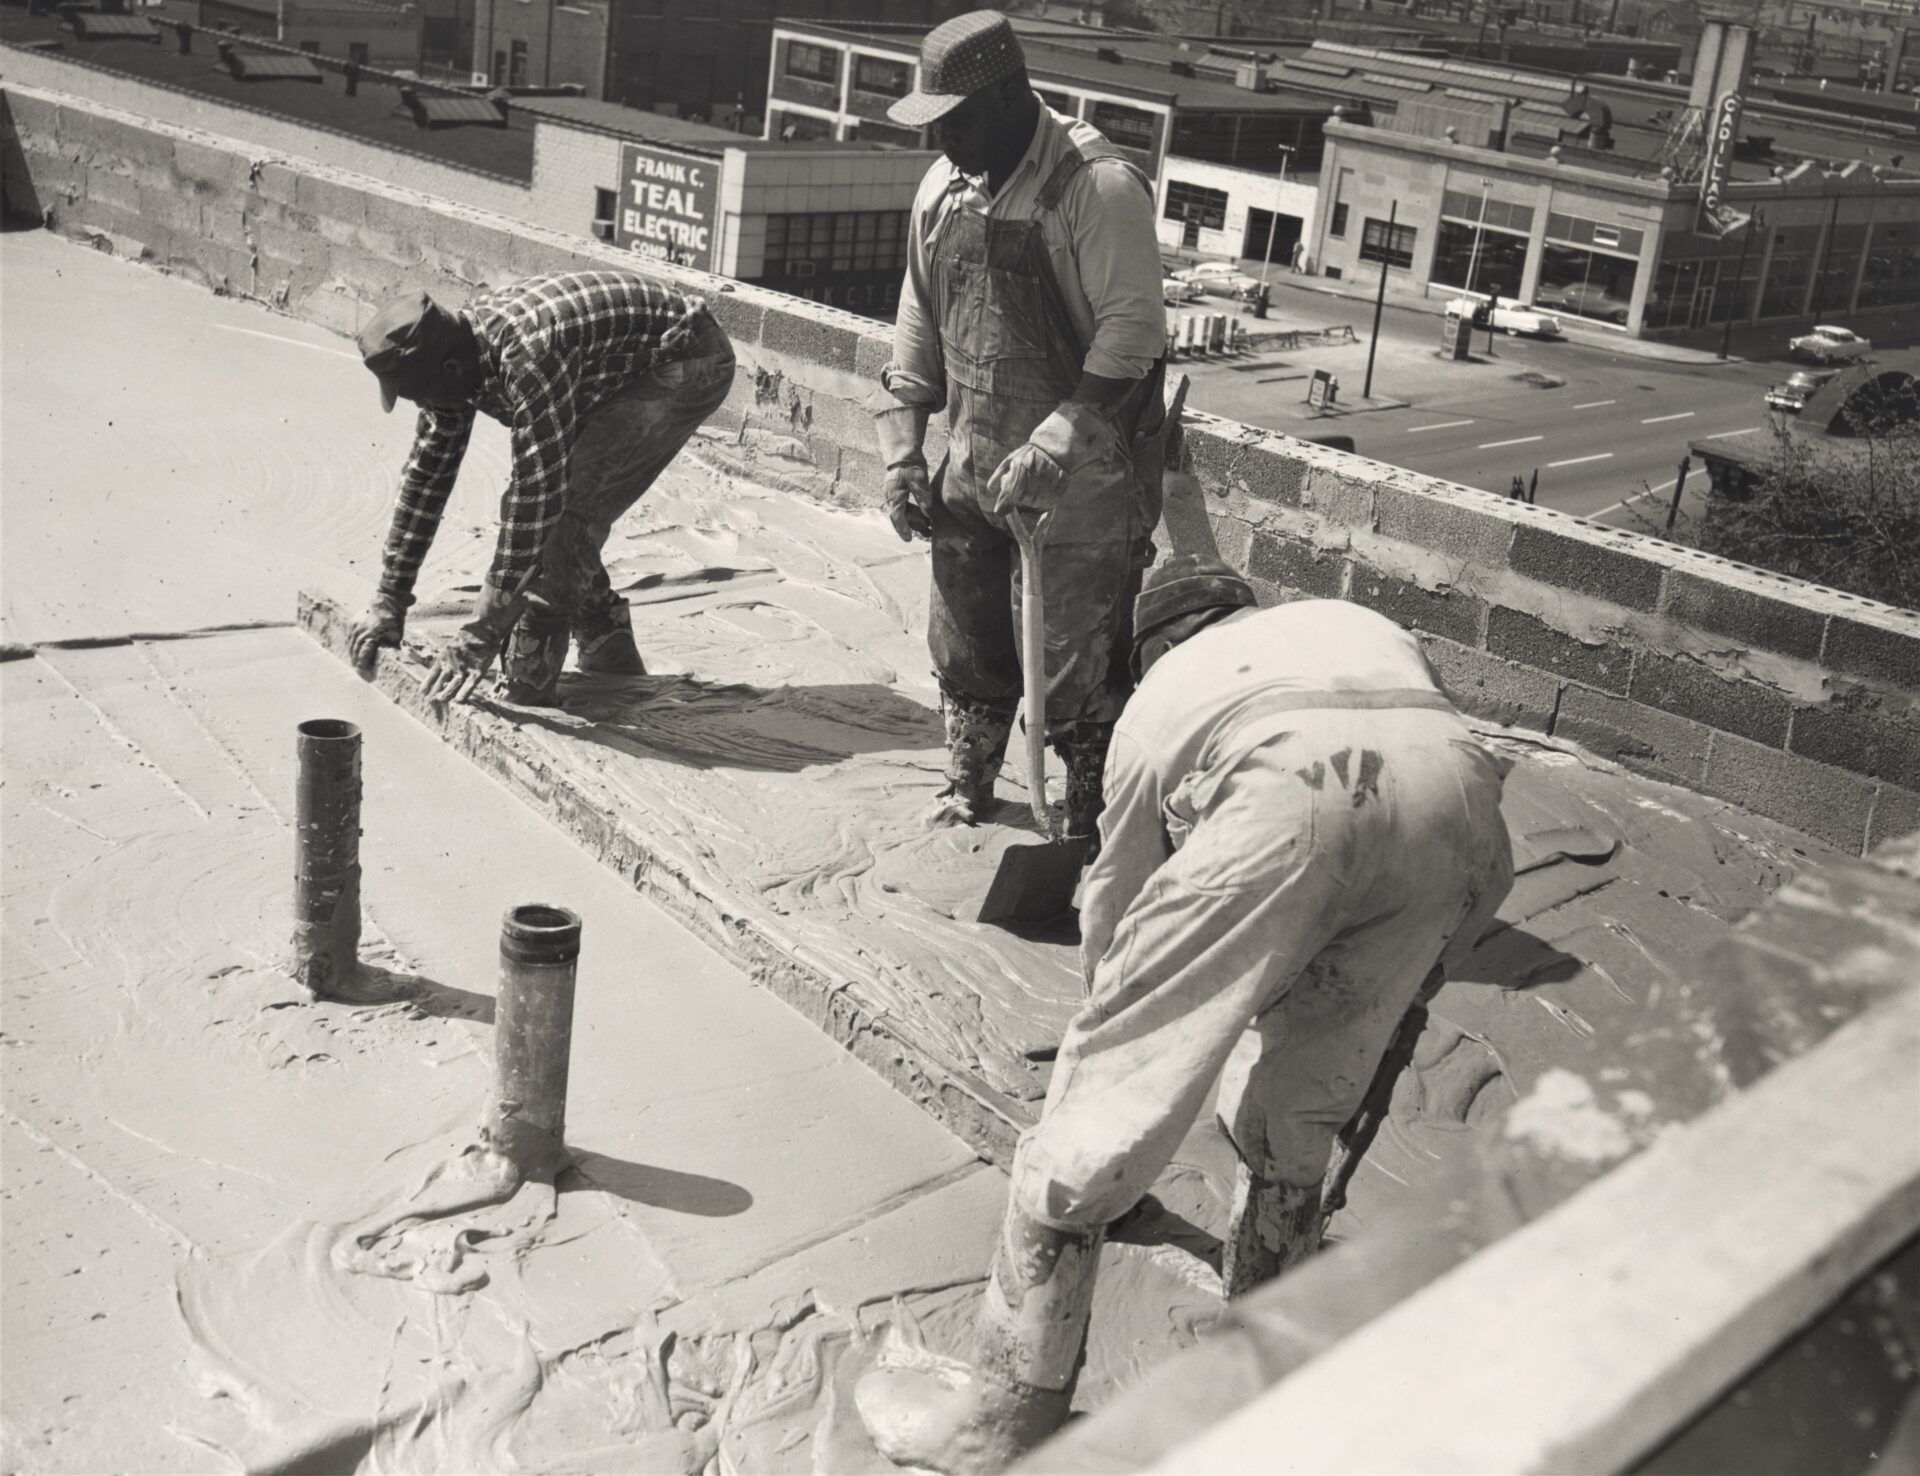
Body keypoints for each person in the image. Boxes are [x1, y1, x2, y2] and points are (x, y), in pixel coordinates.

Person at [857, 556, 1515, 1474]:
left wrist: (1118, 1031)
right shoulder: (1352, 625)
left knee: (1092, 1127)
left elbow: (1117, 904)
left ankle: (999, 1419)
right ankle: (1263, 1370)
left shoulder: (1161, 695)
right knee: (1300, 1110)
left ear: (1153, 647)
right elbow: (1426, 786)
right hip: (1465, 817)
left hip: (1288, 804)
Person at [871, 9, 1172, 840]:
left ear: (1011, 97)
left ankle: (1085, 824)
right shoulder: (942, 189)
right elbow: (916, 324)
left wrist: (1057, 443)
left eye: (957, 123)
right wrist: (903, 452)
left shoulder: (1093, 189)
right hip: (970, 467)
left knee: (1074, 665)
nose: (945, 145)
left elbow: (1134, 333)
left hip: (1078, 481)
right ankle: (969, 787)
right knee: (966, 647)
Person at [344, 271, 735, 706]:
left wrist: (482, 633)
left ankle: (530, 684)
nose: (420, 405)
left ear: (450, 368)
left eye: (418, 394)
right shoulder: (456, 357)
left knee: (565, 514)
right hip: (611, 365)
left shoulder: (529, 356)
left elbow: (540, 496)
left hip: (684, 357)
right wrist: (389, 596)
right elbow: (425, 478)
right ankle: (609, 647)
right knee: (541, 517)